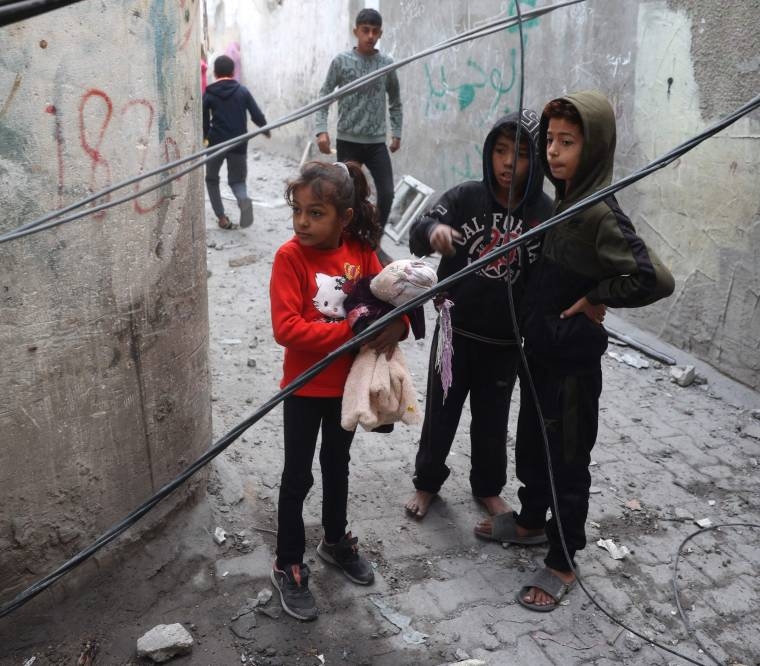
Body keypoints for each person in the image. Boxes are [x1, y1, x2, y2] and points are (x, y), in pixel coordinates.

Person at [474, 91, 674, 612]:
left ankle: (562, 558)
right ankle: (529, 521)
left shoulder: (599, 213)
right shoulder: (565, 202)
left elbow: (653, 277)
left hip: (571, 368)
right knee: (534, 447)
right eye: (551, 141)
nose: (555, 153)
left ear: (597, 146)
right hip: (540, 354)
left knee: (566, 461)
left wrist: (596, 296)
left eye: (568, 142)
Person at [269, 160, 407, 621]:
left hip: (346, 390)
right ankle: (288, 561)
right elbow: (287, 328)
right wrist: (352, 333)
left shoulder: (361, 253)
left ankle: (333, 540)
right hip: (305, 390)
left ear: (343, 217)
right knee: (297, 475)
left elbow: (391, 298)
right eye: (299, 211)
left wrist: (398, 327)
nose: (302, 223)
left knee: (337, 464)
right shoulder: (290, 258)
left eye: (316, 213)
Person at [403, 109, 554, 520]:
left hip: (505, 342)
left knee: (492, 421)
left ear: (535, 161)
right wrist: (433, 234)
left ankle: (487, 488)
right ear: (489, 152)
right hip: (456, 336)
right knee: (440, 413)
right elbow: (421, 228)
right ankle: (427, 483)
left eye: (520, 153)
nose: (507, 162)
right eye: (500, 150)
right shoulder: (466, 197)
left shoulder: (543, 214)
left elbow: (549, 277)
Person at [314, 8, 402, 240]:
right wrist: (321, 130)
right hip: (348, 140)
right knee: (346, 194)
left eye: (375, 31)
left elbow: (395, 101)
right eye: (365, 30)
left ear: (380, 33)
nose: (370, 36)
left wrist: (397, 132)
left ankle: (374, 241)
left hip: (375, 142)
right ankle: (347, 240)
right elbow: (324, 96)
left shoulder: (386, 63)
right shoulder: (342, 62)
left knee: (386, 193)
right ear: (356, 31)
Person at [202, 54, 269, 230]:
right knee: (237, 180)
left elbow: (203, 120)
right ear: (233, 72)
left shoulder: (209, 93)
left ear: (215, 73)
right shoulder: (242, 91)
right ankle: (242, 199)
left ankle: (222, 218)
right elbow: (256, 114)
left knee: (211, 179)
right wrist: (265, 128)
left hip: (216, 142)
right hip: (239, 141)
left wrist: (205, 138)